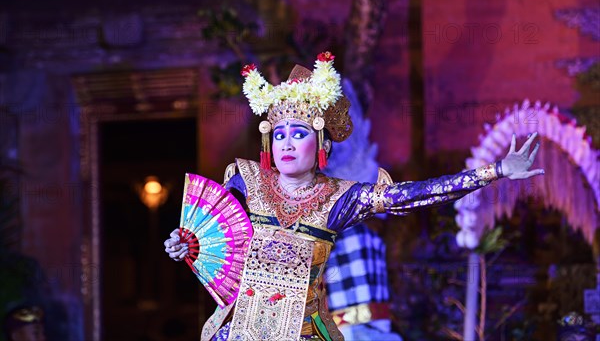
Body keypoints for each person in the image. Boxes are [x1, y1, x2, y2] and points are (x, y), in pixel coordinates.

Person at [164, 52, 544, 341]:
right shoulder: (245, 182)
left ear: (322, 142)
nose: (287, 144)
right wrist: (185, 245)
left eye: (299, 133)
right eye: (279, 135)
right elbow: (212, 234)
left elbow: (419, 194)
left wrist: (494, 171)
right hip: (239, 332)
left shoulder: (339, 198)